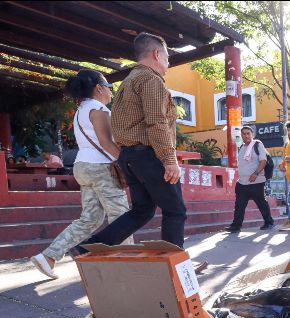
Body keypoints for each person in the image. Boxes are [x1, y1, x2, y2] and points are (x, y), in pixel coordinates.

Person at [71, 32, 188, 254]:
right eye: (167, 58)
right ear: (156, 54)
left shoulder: (126, 82)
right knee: (175, 210)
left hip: (130, 157)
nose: (168, 64)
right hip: (150, 155)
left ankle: (87, 248)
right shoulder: (151, 80)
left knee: (142, 210)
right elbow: (157, 122)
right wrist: (169, 159)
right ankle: (174, 263)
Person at [30, 69, 133, 280]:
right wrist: (127, 163)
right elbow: (106, 143)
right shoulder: (99, 109)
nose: (110, 92)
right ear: (98, 88)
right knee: (121, 216)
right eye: (109, 87)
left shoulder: (80, 111)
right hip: (101, 168)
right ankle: (128, 264)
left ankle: (48, 256)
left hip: (82, 167)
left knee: (90, 219)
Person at [224, 126, 276, 232]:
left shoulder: (258, 144)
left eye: (248, 133)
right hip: (242, 182)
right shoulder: (242, 147)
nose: (246, 135)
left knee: (261, 203)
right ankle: (236, 226)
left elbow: (263, 161)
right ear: (241, 135)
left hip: (256, 181)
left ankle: (269, 222)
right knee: (239, 205)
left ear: (252, 135)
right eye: (244, 134)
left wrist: (256, 173)